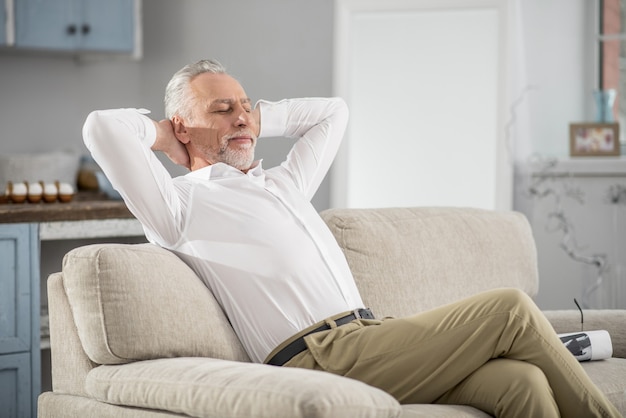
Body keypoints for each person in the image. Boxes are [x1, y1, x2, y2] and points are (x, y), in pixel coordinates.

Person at [82, 59, 621, 418]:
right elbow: (103, 128)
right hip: (318, 355)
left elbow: (331, 113)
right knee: (509, 309)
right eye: (221, 109)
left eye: (245, 105)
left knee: (520, 383)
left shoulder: (282, 185)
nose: (241, 116)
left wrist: (251, 120)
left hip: (371, 336)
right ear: (183, 125)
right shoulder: (181, 205)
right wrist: (166, 137)